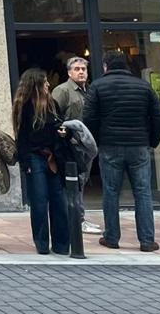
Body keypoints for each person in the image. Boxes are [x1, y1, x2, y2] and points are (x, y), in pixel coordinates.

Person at [83, 51, 160, 252]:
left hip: (110, 145)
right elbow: (159, 116)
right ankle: (147, 240)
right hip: (139, 146)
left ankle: (112, 237)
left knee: (111, 192)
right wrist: (151, 141)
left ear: (105, 66)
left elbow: (89, 118)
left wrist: (96, 141)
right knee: (143, 192)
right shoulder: (143, 86)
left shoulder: (97, 86)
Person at [13, 68, 70, 255]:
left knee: (59, 200)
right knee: (39, 200)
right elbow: (21, 137)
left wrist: (63, 132)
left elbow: (61, 126)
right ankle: (42, 243)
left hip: (54, 157)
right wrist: (25, 163)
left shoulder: (53, 104)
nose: (48, 84)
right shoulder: (26, 106)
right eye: (44, 81)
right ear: (36, 84)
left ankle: (62, 244)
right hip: (35, 156)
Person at [51, 56, 99, 233]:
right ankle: (75, 220)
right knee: (73, 183)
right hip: (71, 145)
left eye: (83, 69)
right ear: (69, 72)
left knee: (82, 182)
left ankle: (81, 217)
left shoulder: (89, 91)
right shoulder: (62, 91)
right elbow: (54, 117)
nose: (81, 72)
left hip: (87, 145)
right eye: (77, 69)